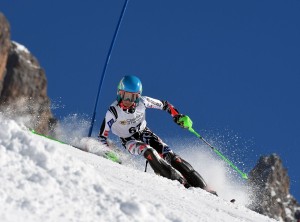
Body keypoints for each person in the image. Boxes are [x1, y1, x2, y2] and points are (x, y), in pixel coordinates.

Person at [98, 75, 216, 194]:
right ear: (119, 93)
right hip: (128, 141)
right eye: (125, 96)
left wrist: (177, 116)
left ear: (138, 96)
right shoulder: (113, 111)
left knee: (172, 157)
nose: (128, 101)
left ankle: (205, 188)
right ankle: (181, 183)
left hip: (145, 133)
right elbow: (102, 136)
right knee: (149, 152)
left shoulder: (143, 102)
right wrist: (107, 151)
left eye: (133, 97)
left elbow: (165, 105)